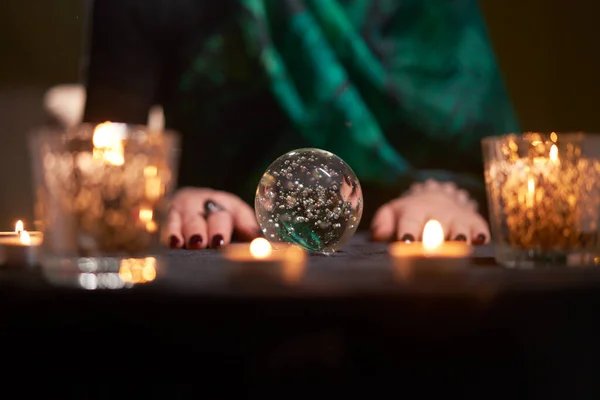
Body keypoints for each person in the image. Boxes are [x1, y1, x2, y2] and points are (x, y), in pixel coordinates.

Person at [82, 0, 518, 250]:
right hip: (223, 260)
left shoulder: (428, 13)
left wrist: (450, 193)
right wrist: (168, 202)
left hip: (415, 270)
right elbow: (104, 181)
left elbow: (488, 164)